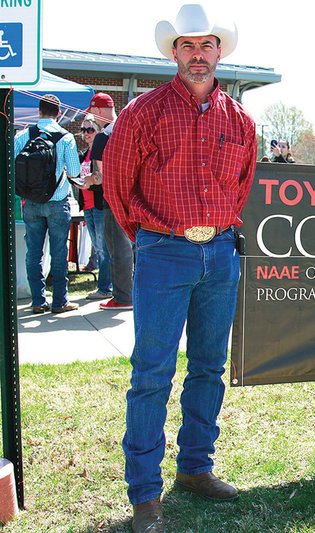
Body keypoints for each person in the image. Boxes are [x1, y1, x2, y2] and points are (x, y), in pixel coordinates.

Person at [103, 5, 257, 532]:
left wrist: (211, 234)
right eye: (187, 46)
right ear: (174, 52)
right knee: (152, 373)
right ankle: (145, 495)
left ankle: (195, 468)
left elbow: (241, 186)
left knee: (209, 366)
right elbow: (119, 188)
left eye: (206, 45)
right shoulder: (142, 112)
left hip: (219, 253)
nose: (197, 54)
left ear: (220, 52)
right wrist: (152, 239)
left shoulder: (240, 119)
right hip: (163, 252)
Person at [14, 94, 81, 314]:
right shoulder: (66, 137)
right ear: (59, 113)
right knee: (59, 252)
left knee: (34, 253)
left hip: (31, 202)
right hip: (57, 202)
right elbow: (73, 172)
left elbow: (11, 162)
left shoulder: (24, 135)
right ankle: (60, 301)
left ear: (39, 111)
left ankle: (37, 301)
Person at [82, 92, 134, 311]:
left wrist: (87, 181)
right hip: (136, 200)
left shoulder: (103, 136)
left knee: (117, 250)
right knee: (135, 249)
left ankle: (123, 297)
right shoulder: (129, 128)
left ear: (97, 111)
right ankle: (133, 292)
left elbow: (102, 177)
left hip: (114, 202)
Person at [74, 115, 112, 300]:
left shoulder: (101, 154)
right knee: (97, 247)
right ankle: (106, 285)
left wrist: (92, 182)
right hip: (87, 205)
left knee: (104, 248)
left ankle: (105, 287)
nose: (86, 133)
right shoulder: (83, 154)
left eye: (90, 129)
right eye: (83, 130)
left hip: (100, 205)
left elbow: (104, 179)